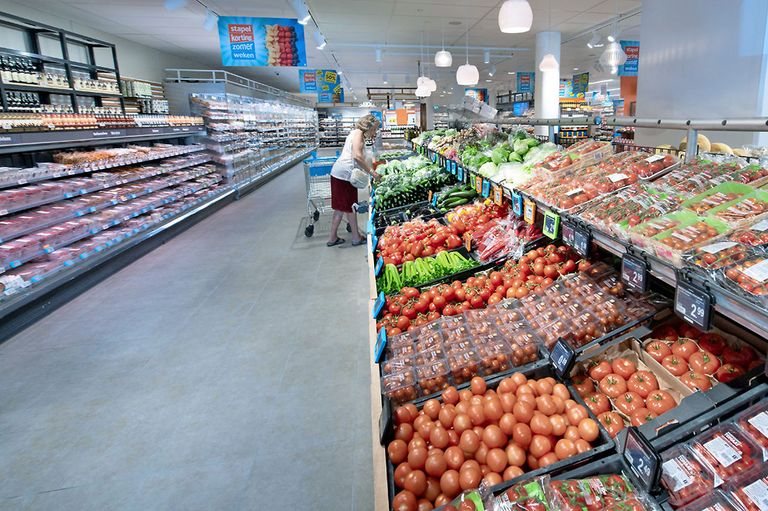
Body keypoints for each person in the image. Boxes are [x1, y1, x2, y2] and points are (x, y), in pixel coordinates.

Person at [327, 114, 381, 247]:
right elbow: (357, 156)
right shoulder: (358, 133)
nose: (374, 132)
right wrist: (372, 172)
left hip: (341, 174)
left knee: (343, 207)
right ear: (367, 126)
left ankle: (334, 237)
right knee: (348, 207)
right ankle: (354, 238)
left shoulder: (358, 134)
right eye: (374, 129)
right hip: (344, 175)